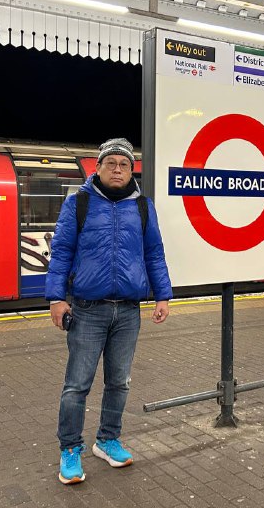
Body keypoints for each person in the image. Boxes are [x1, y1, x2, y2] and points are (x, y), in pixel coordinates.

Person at [45, 137, 172, 485]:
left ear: (132, 170)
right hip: (87, 309)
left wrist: (163, 295)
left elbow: (155, 255)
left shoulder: (143, 206)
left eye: (124, 165)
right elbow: (61, 253)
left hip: (129, 311)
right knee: (77, 385)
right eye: (111, 163)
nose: (117, 169)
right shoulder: (79, 204)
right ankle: (70, 449)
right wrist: (56, 298)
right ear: (97, 168)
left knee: (119, 382)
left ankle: (107, 440)